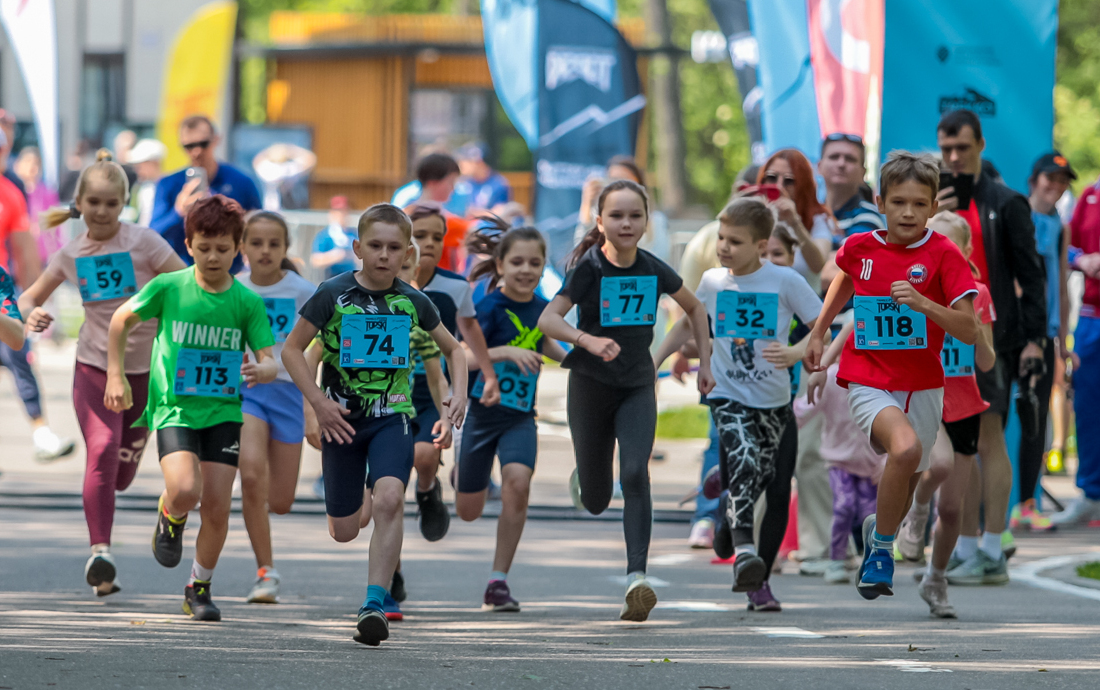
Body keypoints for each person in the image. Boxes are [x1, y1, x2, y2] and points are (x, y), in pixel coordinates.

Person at [282, 203, 468, 647]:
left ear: (408, 253)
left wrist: (456, 394)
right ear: (357, 248)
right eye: (375, 246)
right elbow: (292, 350)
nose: (384, 255)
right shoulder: (332, 292)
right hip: (342, 422)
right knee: (344, 530)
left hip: (392, 418)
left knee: (389, 499)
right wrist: (318, 404)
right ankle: (361, 493)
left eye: (393, 248)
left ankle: (374, 603)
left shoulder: (413, 301)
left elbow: (455, 350)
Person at [804, 151, 979, 600]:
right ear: (880, 201)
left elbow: (969, 328)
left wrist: (924, 304)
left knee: (905, 472)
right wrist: (819, 333)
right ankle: (881, 549)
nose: (908, 212)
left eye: (920, 204)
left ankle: (879, 529)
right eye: (899, 202)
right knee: (905, 449)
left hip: (922, 384)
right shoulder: (861, 245)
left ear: (933, 208)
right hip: (867, 376)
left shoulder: (943, 254)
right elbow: (845, 278)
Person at [538, 179, 713, 622]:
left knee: (635, 474)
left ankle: (637, 578)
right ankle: (587, 472)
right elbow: (548, 319)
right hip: (590, 385)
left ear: (646, 222)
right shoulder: (590, 269)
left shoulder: (655, 268)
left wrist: (705, 365)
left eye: (635, 215)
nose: (626, 223)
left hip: (637, 385)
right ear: (600, 222)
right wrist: (587, 341)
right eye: (616, 215)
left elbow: (695, 309)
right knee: (597, 498)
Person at [19, 150, 185, 595]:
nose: (102, 211)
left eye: (111, 203)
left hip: (147, 374)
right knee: (102, 447)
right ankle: (100, 553)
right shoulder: (73, 253)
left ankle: (159, 513)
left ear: (123, 204)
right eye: (93, 202)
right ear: (80, 201)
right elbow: (27, 298)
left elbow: (188, 286)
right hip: (94, 367)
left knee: (123, 473)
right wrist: (32, 316)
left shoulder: (145, 243)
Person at [105, 195, 278, 621]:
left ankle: (198, 588)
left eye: (223, 248)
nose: (213, 257)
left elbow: (269, 357)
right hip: (174, 407)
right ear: (188, 244)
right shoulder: (169, 287)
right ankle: (170, 512)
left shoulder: (246, 302)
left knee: (218, 507)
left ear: (238, 248)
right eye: (204, 247)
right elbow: (120, 320)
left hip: (223, 412)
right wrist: (116, 374)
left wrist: (263, 370)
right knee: (185, 490)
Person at [656, 197, 821, 609]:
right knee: (746, 460)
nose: (724, 247)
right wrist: (656, 360)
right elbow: (687, 323)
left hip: (775, 403)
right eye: (721, 238)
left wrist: (797, 353)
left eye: (735, 241)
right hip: (728, 396)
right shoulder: (713, 282)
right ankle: (743, 548)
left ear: (761, 246)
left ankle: (757, 575)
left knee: (778, 489)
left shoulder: (785, 282)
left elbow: (824, 330)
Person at [936, 109, 1048, 569]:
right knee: (956, 446)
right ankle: (964, 547)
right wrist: (930, 218)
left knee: (988, 438)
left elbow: (1032, 276)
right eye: (946, 149)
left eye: (963, 147)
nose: (955, 157)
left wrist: (1035, 340)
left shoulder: (1006, 202)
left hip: (991, 338)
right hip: (936, 341)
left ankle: (992, 544)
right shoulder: (927, 202)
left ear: (981, 144)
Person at [885, 211, 996, 613]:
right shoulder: (914, 292)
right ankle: (916, 508)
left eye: (951, 245)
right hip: (928, 394)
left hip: (965, 404)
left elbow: (986, 362)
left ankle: (936, 579)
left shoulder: (979, 294)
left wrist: (978, 328)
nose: (942, 252)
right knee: (941, 464)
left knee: (952, 509)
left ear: (965, 251)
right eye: (937, 244)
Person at [455, 220, 567, 612]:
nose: (525, 270)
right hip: (481, 418)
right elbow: (462, 357)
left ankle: (498, 582)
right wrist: (502, 353)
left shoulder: (542, 309)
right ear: (500, 265)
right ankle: (463, 474)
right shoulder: (485, 307)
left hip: (520, 415)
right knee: (468, 511)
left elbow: (545, 341)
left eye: (534, 263)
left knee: (518, 483)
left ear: (542, 268)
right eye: (517, 261)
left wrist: (583, 361)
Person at [236, 211, 318, 604]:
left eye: (274, 244)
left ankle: (264, 528)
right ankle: (265, 570)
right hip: (247, 391)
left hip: (288, 392)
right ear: (243, 247)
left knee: (281, 502)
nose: (265, 251)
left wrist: (312, 404)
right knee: (250, 475)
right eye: (256, 243)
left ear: (286, 248)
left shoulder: (303, 291)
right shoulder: (232, 288)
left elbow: (319, 345)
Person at [407, 204, 500, 542]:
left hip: (433, 389)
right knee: (383, 493)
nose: (429, 243)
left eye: (437, 236)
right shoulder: (375, 290)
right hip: (386, 393)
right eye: (419, 236)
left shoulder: (454, 287)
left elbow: (470, 330)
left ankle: (427, 489)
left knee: (425, 452)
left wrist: (488, 374)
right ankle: (391, 575)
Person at [0, 128, 74, 462]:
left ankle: (41, 431)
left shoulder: (10, 194)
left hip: (1, 286)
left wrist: (28, 305)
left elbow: (26, 251)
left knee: (20, 355)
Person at [1013, 152, 1075, 530]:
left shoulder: (1058, 224)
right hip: (1011, 333)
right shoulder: (1016, 214)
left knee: (1035, 420)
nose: (1055, 186)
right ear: (1034, 179)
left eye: (1062, 180)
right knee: (992, 416)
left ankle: (1026, 505)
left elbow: (1062, 284)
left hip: (1045, 333)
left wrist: (1062, 340)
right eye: (1049, 178)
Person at [795, 357, 884, 585]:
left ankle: (872, 563)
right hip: (838, 460)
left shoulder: (880, 376)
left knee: (870, 514)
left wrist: (888, 458)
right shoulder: (833, 378)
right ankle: (836, 559)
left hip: (871, 461)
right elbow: (805, 410)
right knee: (844, 505)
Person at [150, 115, 262, 272]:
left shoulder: (241, 182)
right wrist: (178, 212)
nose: (196, 151)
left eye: (203, 144)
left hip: (229, 275)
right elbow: (153, 233)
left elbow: (259, 228)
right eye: (189, 146)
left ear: (216, 140)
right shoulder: (168, 184)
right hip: (182, 273)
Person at [1055, 163, 1100, 524]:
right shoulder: (1089, 195)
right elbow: (1067, 250)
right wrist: (1082, 260)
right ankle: (1090, 492)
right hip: (1090, 317)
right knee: (1087, 404)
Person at [405, 153, 470, 272]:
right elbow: (473, 230)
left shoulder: (405, 213)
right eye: (451, 182)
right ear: (433, 182)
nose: (453, 188)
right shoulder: (441, 220)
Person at [818, 133, 885, 238]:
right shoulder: (810, 215)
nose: (841, 164)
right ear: (819, 166)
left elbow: (852, 254)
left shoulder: (869, 217)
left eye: (850, 159)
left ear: (863, 172)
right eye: (834, 157)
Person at [13, 147, 62, 260]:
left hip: (43, 255)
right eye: (28, 162)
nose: (32, 167)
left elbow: (57, 228)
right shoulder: (13, 191)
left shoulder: (48, 193)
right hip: (19, 256)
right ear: (18, 165)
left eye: (36, 163)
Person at [451, 142, 512, 218]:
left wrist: (471, 212)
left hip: (488, 228)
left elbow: (499, 214)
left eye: (465, 160)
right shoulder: (464, 183)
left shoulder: (499, 183)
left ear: (479, 162)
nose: (460, 164)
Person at [252, 143, 317, 211]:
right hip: (285, 209)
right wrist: (291, 150)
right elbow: (310, 160)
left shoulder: (265, 168)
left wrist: (267, 152)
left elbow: (256, 161)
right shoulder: (286, 169)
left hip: (268, 208)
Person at [310, 196, 360, 280]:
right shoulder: (325, 235)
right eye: (338, 211)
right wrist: (336, 256)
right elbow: (315, 260)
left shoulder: (354, 234)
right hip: (333, 278)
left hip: (353, 278)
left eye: (345, 211)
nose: (342, 215)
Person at [126, 139, 167, 227]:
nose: (137, 170)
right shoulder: (140, 187)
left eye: (140, 166)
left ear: (154, 163)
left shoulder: (167, 187)